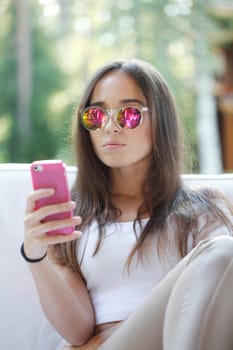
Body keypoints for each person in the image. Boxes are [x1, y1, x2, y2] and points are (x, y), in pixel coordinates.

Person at [23, 58, 233, 350]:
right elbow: (76, 331)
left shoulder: (202, 208)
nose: (110, 127)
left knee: (224, 251)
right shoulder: (75, 215)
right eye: (96, 115)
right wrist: (35, 255)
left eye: (129, 114)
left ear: (161, 121)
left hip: (176, 338)